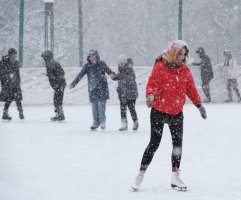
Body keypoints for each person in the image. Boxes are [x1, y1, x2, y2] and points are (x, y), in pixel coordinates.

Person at [131, 40, 207, 191]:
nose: (183, 58)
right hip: (159, 110)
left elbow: (190, 88)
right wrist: (150, 95)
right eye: (180, 54)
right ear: (174, 52)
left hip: (176, 113)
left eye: (185, 55)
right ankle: (140, 173)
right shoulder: (161, 66)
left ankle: (175, 176)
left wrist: (199, 105)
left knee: (177, 145)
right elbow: (152, 82)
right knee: (154, 144)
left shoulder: (184, 70)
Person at [69, 50, 116, 130]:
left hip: (102, 89)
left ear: (96, 56)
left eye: (93, 56)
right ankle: (95, 122)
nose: (91, 58)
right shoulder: (87, 66)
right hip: (93, 89)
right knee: (94, 108)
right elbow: (80, 75)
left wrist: (113, 75)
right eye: (90, 56)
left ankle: (102, 122)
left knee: (101, 107)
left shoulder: (102, 64)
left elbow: (109, 72)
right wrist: (74, 83)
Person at [113, 55, 139, 131]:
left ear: (125, 63)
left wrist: (117, 77)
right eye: (119, 63)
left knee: (131, 108)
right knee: (123, 109)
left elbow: (128, 79)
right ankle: (124, 124)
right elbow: (120, 78)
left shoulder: (129, 69)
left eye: (122, 63)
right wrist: (114, 77)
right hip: (123, 93)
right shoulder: (121, 69)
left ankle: (135, 122)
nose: (120, 64)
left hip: (131, 93)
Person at [41, 50, 66, 121]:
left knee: (57, 100)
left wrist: (54, 80)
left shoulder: (49, 64)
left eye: (44, 58)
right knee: (58, 99)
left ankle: (60, 115)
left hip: (58, 84)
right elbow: (62, 72)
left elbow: (52, 76)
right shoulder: (55, 63)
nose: (44, 59)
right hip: (61, 83)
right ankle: (60, 114)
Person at [0, 48, 24, 120]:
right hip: (7, 83)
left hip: (15, 82)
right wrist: (8, 76)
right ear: (10, 55)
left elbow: (17, 72)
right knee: (9, 98)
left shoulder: (16, 62)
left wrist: (18, 80)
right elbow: (2, 72)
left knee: (17, 98)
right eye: (13, 55)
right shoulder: (3, 62)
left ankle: (20, 112)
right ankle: (5, 112)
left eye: (15, 55)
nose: (15, 56)